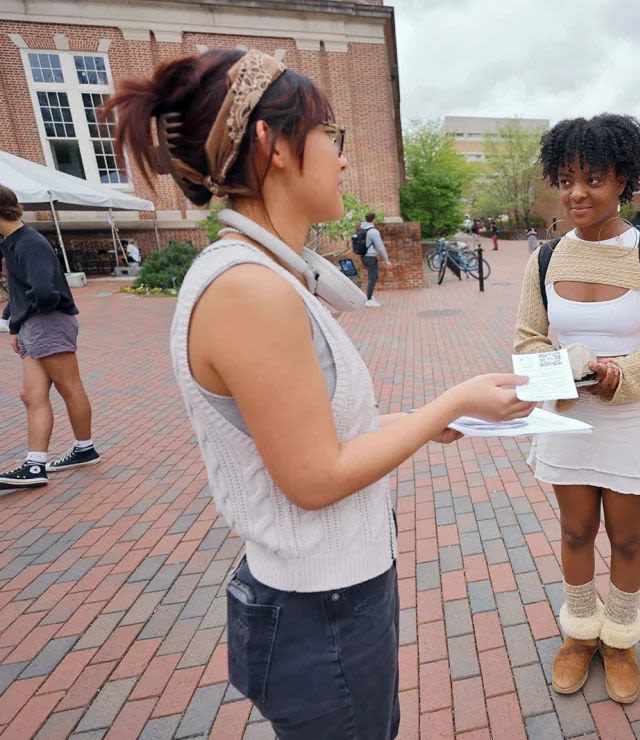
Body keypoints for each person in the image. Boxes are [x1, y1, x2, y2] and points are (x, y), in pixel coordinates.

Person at [104, 49, 534, 739]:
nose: (340, 156)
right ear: (273, 145)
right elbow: (313, 476)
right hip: (321, 610)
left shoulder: (261, 275)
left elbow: (314, 436)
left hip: (328, 598)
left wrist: (428, 422)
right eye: (329, 135)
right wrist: (446, 405)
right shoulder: (248, 290)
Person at [514, 114, 640, 705]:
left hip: (632, 418)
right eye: (566, 179)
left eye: (592, 178)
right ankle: (579, 634)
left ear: (623, 181)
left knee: (628, 538)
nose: (576, 193)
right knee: (574, 529)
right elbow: (527, 343)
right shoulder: (544, 259)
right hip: (568, 417)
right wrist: (562, 370)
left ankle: (619, 639)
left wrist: (623, 375)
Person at [0, 186, 100, 488]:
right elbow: (24, 288)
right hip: (35, 324)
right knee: (31, 395)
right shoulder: (13, 242)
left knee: (69, 387)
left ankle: (84, 449)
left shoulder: (28, 243)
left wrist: (19, 319)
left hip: (48, 322)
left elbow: (45, 293)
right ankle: (35, 465)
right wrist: (15, 323)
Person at [359, 212, 391, 307]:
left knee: (372, 276)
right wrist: (386, 259)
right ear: (373, 219)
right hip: (370, 257)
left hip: (363, 256)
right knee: (373, 277)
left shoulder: (362, 229)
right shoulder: (373, 231)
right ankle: (368, 300)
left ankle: (370, 296)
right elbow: (380, 246)